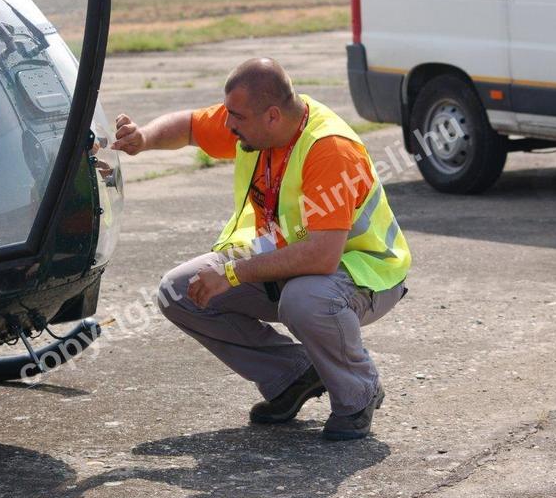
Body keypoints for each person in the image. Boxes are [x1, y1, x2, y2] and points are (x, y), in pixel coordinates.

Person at [113, 58, 411, 440]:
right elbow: (189, 126)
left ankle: (358, 392)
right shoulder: (254, 127)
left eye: (236, 117)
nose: (228, 125)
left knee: (305, 300)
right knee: (179, 292)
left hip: (364, 274)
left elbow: (322, 256)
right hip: (288, 265)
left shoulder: (328, 149)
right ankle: (292, 375)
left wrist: (233, 273)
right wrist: (143, 139)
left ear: (272, 115)